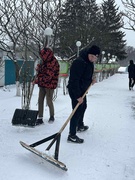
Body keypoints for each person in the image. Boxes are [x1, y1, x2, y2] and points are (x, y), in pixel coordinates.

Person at [67, 45, 100, 143]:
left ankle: (80, 125)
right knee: (76, 111)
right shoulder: (79, 62)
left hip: (82, 90)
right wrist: (77, 96)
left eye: (95, 57)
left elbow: (85, 76)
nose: (93, 59)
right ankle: (72, 135)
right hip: (75, 90)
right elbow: (74, 80)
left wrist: (91, 81)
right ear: (88, 54)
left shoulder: (89, 63)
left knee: (83, 107)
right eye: (92, 56)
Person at [35, 47, 59, 125]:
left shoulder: (53, 62)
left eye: (42, 56)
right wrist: (39, 68)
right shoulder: (45, 61)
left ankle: (52, 116)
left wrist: (38, 80)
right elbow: (42, 71)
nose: (41, 57)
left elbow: (48, 76)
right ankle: (40, 117)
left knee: (49, 101)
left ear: (47, 55)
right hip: (42, 84)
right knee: (40, 100)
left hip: (50, 85)